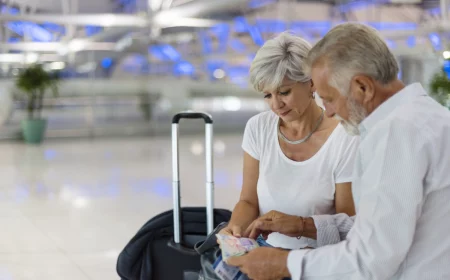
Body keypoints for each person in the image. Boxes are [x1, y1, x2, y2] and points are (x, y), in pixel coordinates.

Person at [226, 22, 450, 280]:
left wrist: (285, 264)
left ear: (362, 87)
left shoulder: (395, 135)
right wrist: (304, 225)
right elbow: (378, 225)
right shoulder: (430, 117)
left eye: (330, 98)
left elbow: (368, 260)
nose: (329, 111)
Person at [219, 31, 359, 250]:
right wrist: (235, 229)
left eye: (284, 92)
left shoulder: (345, 139)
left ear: (311, 83)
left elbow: (348, 224)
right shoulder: (258, 128)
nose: (276, 105)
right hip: (265, 254)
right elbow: (248, 201)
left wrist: (298, 236)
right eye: (267, 95)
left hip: (319, 261)